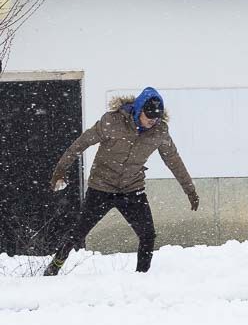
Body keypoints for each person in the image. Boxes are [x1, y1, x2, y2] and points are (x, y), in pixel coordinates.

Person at [44, 87, 199, 276]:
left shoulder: (159, 131)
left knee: (148, 235)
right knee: (78, 233)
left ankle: (141, 277)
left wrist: (189, 190)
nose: (152, 122)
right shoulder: (111, 121)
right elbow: (81, 143)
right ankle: (54, 267)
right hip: (101, 187)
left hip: (132, 189)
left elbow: (173, 160)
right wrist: (61, 169)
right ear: (138, 109)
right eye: (148, 117)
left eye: (156, 119)